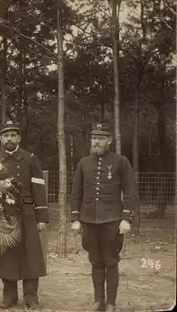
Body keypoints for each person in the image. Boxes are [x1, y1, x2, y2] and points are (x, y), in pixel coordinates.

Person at [70, 123, 138, 312]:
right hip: (88, 221)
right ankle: (98, 301)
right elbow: (76, 193)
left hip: (112, 221)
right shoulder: (83, 163)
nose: (96, 141)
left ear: (110, 140)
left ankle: (111, 304)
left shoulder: (121, 161)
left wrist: (126, 218)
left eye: (101, 138)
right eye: (94, 138)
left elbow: (130, 191)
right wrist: (75, 218)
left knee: (110, 261)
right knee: (95, 261)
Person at [0, 120, 49, 310]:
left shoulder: (30, 159)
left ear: (18, 138)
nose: (9, 139)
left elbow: (39, 188)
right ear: (1, 139)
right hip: (4, 214)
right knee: (6, 255)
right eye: (6, 136)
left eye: (13, 135)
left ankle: (31, 298)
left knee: (31, 254)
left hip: (27, 213)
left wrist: (41, 217)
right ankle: (9, 297)